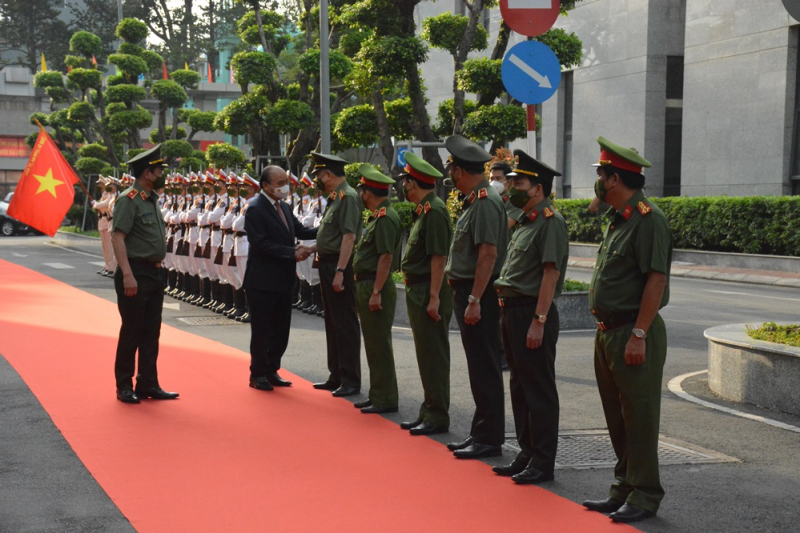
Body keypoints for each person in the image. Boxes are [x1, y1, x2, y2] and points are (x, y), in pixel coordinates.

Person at [581, 136, 672, 524]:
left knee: (640, 415)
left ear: (614, 179)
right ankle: (624, 487)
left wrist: (639, 334)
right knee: (617, 416)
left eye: (600, 175)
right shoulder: (617, 219)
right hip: (608, 332)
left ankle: (645, 493)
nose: (598, 181)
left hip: (633, 333)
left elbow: (656, 280)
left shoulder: (649, 219)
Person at [491, 150, 569, 485]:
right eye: (509, 182)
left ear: (537, 188)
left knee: (538, 390)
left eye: (518, 182)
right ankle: (527, 451)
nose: (510, 188)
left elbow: (550, 274)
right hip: (512, 311)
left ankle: (543, 461)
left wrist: (538, 320)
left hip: (530, 312)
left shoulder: (550, 222)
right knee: (520, 387)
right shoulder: (525, 222)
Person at [443, 135, 508, 459]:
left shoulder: (484, 202)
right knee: (479, 365)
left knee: (485, 365)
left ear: (459, 171)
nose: (450, 175)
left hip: (476, 293)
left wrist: (474, 300)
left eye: (452, 168)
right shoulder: (476, 200)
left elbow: (487, 255)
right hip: (470, 291)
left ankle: (489, 437)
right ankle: (481, 432)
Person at [110, 144, 179, 404]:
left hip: (154, 273)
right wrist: (127, 274)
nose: (163, 173)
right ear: (148, 173)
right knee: (132, 331)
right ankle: (124, 386)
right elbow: (117, 237)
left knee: (152, 331)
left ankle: (148, 383)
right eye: (160, 169)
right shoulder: (128, 199)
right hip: (135, 272)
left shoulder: (151, 199)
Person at [243, 165, 318, 391]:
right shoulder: (255, 208)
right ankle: (257, 373)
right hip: (262, 281)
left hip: (283, 279)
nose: (285, 186)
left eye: (286, 181)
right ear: (265, 186)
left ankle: (272, 369)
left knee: (280, 328)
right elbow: (260, 243)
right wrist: (291, 252)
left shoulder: (283, 207)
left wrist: (329, 228)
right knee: (262, 330)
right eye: (279, 183)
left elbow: (301, 231)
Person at [397, 152, 453, 436]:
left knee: (434, 355)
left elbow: (438, 258)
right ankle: (429, 409)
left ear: (413, 183)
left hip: (428, 290)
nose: (403, 186)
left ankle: (437, 415)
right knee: (425, 354)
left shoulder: (435, 211)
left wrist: (434, 297)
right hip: (418, 288)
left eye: (405, 181)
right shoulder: (425, 210)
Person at [306, 152, 363, 397]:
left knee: (345, 323)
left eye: (318, 174)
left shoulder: (348, 197)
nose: (316, 179)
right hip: (328, 263)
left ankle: (350, 379)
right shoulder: (336, 198)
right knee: (332, 321)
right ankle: (336, 374)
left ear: (328, 174)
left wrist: (340, 271)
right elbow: (331, 235)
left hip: (339, 266)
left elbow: (349, 237)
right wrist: (310, 248)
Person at [351, 164, 402, 414]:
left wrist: (376, 292)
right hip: (367, 283)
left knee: (379, 344)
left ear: (368, 192)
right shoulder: (377, 215)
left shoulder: (384, 218)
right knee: (373, 343)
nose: (360, 196)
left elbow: (385, 258)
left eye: (361, 191)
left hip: (375, 284)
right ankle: (377, 394)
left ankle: (385, 398)